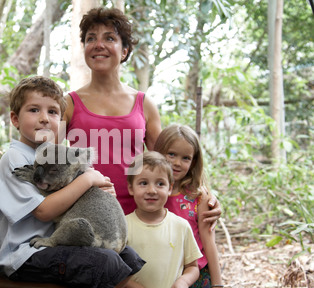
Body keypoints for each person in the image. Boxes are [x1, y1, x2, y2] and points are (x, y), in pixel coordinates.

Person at [0, 75, 145, 288]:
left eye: (52, 112)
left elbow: (76, 184)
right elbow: (43, 211)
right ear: (14, 118)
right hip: (26, 255)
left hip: (57, 244)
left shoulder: (52, 153)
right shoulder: (14, 157)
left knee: (128, 257)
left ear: (61, 121)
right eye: (34, 110)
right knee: (106, 262)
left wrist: (99, 191)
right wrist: (88, 180)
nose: (44, 118)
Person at [63, 7, 222, 225]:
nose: (99, 45)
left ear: (125, 51)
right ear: (84, 48)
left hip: (139, 217)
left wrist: (204, 196)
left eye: (109, 38)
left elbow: (169, 164)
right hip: (87, 215)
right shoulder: (68, 103)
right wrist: (6, 181)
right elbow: (43, 156)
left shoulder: (144, 104)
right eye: (91, 38)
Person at [154, 124, 227, 288]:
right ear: (158, 153)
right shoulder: (150, 193)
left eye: (185, 158)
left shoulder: (198, 196)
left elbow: (209, 243)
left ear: (193, 161)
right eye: (171, 154)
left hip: (198, 276)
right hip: (163, 276)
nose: (177, 163)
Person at [120, 151, 202, 288]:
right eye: (143, 183)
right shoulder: (123, 226)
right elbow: (117, 272)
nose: (152, 190)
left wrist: (183, 282)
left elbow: (193, 267)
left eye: (160, 184)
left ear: (169, 188)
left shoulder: (181, 226)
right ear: (131, 188)